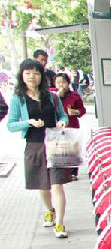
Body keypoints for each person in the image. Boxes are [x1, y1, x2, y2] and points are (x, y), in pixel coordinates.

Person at [6, 58, 70, 238]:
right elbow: (11, 125)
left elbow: (63, 116)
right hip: (34, 145)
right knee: (43, 185)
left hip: (55, 144)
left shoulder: (52, 96)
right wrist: (29, 122)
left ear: (42, 76)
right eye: (27, 73)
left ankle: (60, 224)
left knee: (57, 185)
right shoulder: (18, 98)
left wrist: (62, 122)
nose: (32, 77)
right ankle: (49, 209)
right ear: (22, 76)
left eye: (36, 73)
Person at [55, 72, 87, 179]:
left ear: (68, 83)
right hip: (57, 126)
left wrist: (76, 112)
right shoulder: (51, 95)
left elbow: (82, 109)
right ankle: (61, 172)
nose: (61, 85)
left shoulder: (74, 95)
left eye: (63, 82)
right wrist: (57, 96)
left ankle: (73, 173)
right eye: (58, 83)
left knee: (72, 149)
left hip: (72, 125)